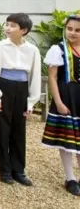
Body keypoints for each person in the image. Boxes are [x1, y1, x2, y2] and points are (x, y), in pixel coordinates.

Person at [0, 13, 41, 186]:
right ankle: (4, 170)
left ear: (24, 30)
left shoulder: (32, 50)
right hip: (5, 86)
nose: (7, 28)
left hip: (22, 88)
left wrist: (31, 101)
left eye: (12, 26)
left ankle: (18, 169)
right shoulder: (0, 46)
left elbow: (34, 76)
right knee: (3, 129)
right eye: (7, 24)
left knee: (19, 130)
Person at [41, 14, 80, 196]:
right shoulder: (59, 49)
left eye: (77, 30)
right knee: (66, 140)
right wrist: (58, 102)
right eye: (70, 29)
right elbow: (53, 77)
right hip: (66, 97)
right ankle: (70, 177)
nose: (72, 33)